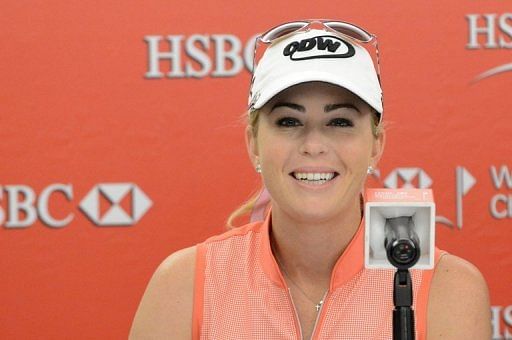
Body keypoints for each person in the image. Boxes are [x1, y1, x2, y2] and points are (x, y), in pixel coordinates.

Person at [129, 20, 491, 339]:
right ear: (254, 143)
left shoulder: (448, 288)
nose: (314, 145)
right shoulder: (184, 284)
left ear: (376, 145)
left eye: (340, 122)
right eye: (289, 121)